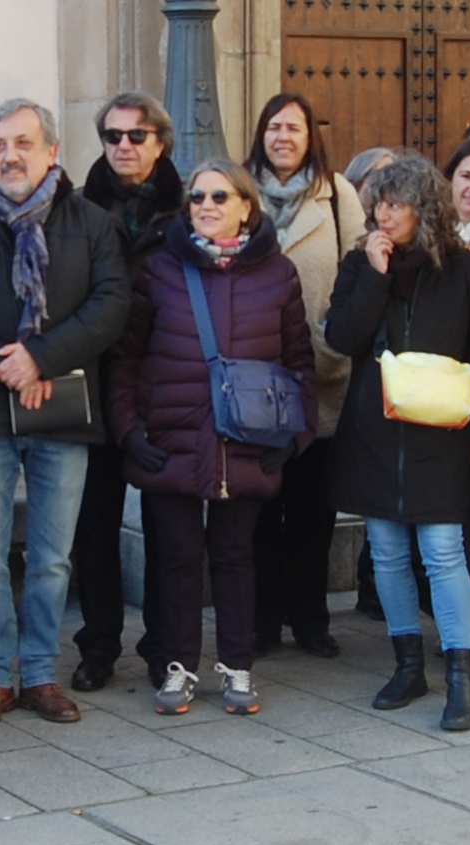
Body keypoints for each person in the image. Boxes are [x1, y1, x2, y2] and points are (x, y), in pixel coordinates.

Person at [0, 98, 132, 727]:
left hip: (63, 405)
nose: (9, 156)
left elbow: (110, 304)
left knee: (51, 557)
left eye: (22, 143)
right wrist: (4, 367)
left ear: (51, 151)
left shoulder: (91, 223)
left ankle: (39, 672)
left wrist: (40, 358)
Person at [109, 159, 317, 719]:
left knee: (235, 557)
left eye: (220, 196)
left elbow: (299, 361)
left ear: (246, 207)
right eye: (198, 196)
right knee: (176, 558)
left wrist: (296, 435)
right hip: (172, 437)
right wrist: (129, 428)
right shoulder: (160, 269)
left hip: (246, 439)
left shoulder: (278, 273)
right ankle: (178, 666)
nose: (206, 205)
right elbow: (127, 358)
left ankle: (237, 664)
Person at [325, 153, 470, 732]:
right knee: (385, 550)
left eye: (396, 204)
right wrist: (375, 277)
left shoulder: (467, 272)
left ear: (424, 209)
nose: (383, 214)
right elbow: (343, 337)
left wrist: (468, 412)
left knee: (443, 550)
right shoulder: (361, 264)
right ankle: (407, 665)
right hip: (376, 434)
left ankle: (460, 674)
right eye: (378, 203)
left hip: (440, 434)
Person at [243, 92, 365, 661]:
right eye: (274, 127)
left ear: (310, 135)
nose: (283, 137)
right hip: (259, 376)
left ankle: (311, 620)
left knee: (314, 511)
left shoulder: (337, 195)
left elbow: (359, 270)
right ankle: (264, 619)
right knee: (262, 511)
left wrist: (337, 335)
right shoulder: (239, 191)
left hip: (323, 375)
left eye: (293, 128)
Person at [71, 91, 186, 689]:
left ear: (160, 143)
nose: (123, 146)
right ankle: (98, 646)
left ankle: (164, 645)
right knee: (94, 528)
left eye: (136, 136)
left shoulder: (188, 209)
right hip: (92, 386)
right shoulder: (77, 208)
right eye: (112, 136)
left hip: (162, 386)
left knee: (167, 527)